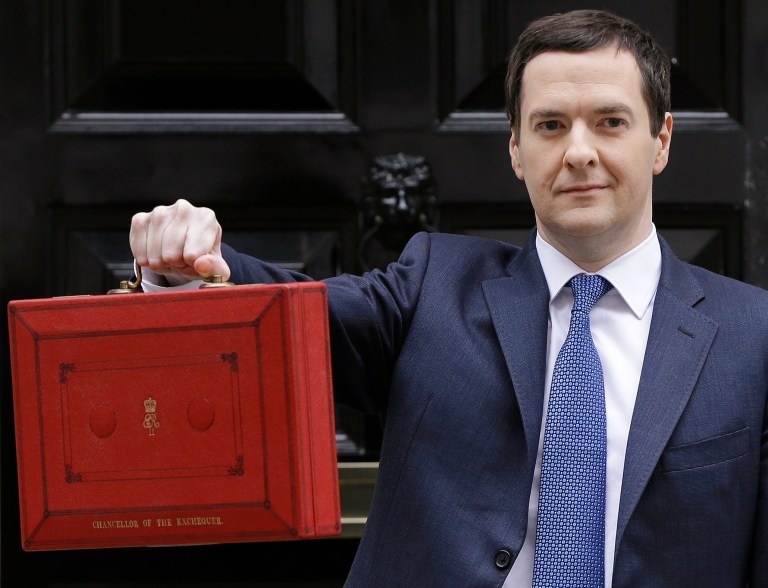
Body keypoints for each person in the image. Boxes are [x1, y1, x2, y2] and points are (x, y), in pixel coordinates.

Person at [130, 9, 768, 587]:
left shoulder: (753, 334)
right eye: (550, 125)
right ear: (516, 150)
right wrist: (191, 269)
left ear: (660, 140)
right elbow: (284, 317)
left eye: (610, 122)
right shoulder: (431, 288)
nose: (578, 152)